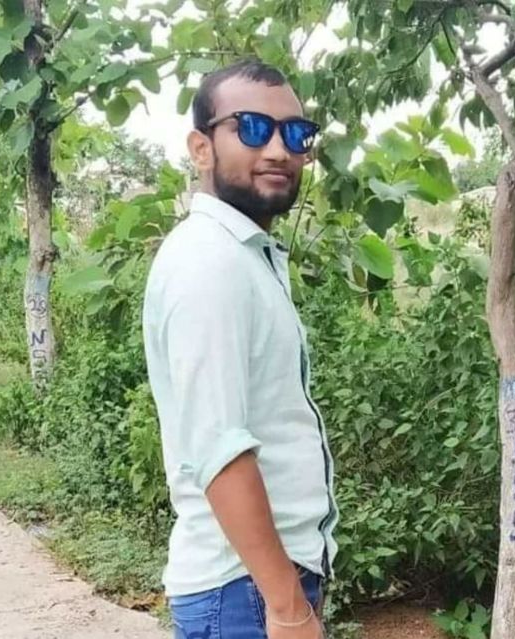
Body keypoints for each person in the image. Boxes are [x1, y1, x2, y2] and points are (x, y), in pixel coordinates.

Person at [142, 59, 338, 639]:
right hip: (245, 591)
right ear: (201, 148)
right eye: (252, 128)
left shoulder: (240, 254)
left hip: (254, 585)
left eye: (295, 133)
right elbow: (219, 448)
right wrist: (287, 606)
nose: (278, 149)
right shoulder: (209, 261)